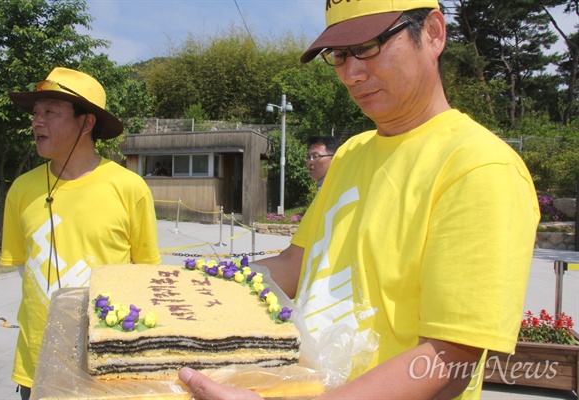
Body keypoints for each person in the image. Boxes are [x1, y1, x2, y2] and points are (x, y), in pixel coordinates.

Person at [179, 1, 540, 399]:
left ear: (434, 33)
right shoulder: (352, 152)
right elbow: (296, 266)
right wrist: (186, 285)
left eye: (370, 45)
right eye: (338, 54)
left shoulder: (478, 167)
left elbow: (449, 359)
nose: (352, 73)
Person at [1, 67, 162, 400]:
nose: (37, 121)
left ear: (86, 123)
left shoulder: (129, 188)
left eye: (50, 112)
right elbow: (24, 272)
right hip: (38, 369)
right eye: (35, 113)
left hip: (107, 368)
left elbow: (147, 277)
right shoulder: (21, 190)